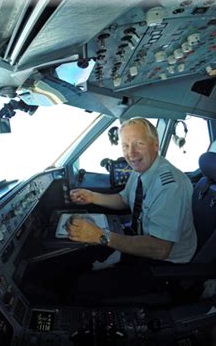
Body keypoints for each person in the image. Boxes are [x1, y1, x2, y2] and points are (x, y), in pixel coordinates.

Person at [65, 117, 197, 303]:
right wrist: (91, 196)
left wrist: (102, 237)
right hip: (140, 242)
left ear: (156, 145)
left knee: (84, 287)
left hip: (165, 266)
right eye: (125, 146)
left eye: (139, 144)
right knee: (76, 261)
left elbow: (160, 249)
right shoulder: (140, 170)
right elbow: (124, 200)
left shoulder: (170, 186)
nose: (131, 153)